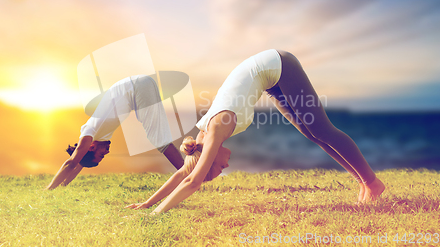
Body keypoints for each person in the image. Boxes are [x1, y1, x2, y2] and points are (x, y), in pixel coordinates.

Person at [125, 50, 385, 213]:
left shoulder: (215, 129)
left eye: (216, 170)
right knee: (313, 134)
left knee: (322, 128)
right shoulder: (202, 139)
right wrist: (148, 202)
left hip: (278, 65)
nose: (224, 169)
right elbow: (184, 172)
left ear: (210, 158)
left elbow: (191, 181)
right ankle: (364, 183)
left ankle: (372, 183)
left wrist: (155, 214)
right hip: (270, 79)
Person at [45, 75, 184, 190]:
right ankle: (192, 173)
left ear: (91, 147)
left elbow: (71, 163)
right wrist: (62, 186)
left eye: (101, 155)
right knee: (158, 139)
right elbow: (79, 164)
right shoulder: (94, 138)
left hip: (136, 88)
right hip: (136, 86)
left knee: (159, 140)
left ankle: (190, 174)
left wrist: (49, 189)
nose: (106, 153)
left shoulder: (89, 132)